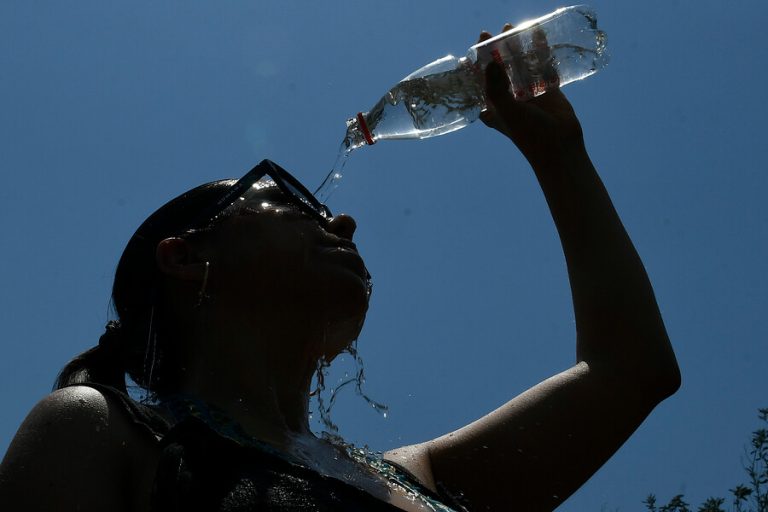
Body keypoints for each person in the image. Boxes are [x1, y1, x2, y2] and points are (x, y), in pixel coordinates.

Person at [0, 28, 680, 512]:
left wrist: (560, 154)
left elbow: (632, 372)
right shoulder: (104, 432)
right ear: (185, 255)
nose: (344, 222)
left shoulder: (416, 478)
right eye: (289, 198)